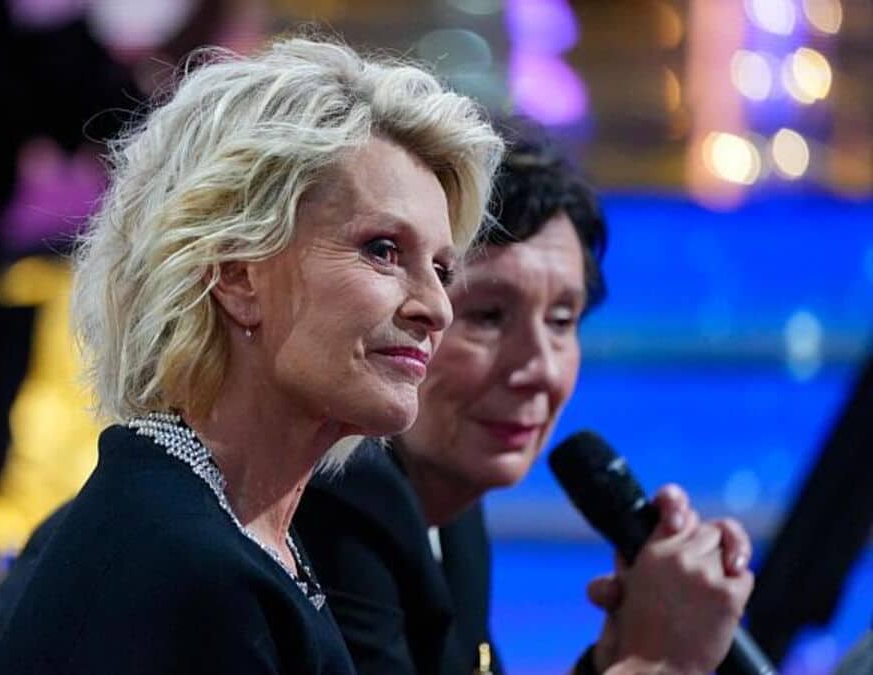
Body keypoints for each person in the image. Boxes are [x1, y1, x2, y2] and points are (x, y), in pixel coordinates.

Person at [0, 35, 503, 674]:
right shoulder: (184, 569)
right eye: (383, 250)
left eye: (441, 268)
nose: (437, 307)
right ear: (235, 274)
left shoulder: (219, 528)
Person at [295, 120, 755, 675]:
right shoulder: (344, 500)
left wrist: (616, 655)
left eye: (562, 320)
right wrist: (658, 662)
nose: (538, 369)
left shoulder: (454, 514)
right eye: (489, 316)